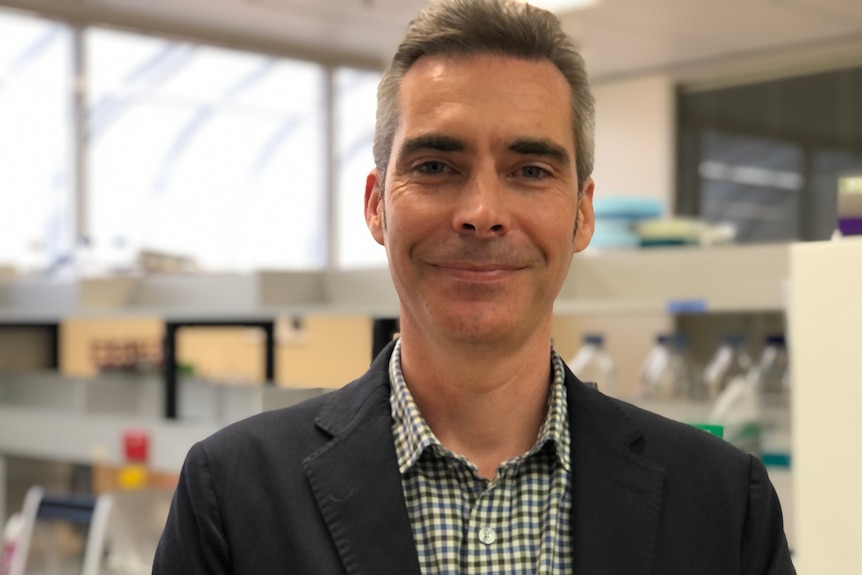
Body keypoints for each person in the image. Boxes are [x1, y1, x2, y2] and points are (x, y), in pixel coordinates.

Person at [152, 0, 795, 573]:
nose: (482, 211)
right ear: (377, 206)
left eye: (531, 169)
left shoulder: (720, 501)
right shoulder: (233, 494)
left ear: (583, 213)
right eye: (435, 166)